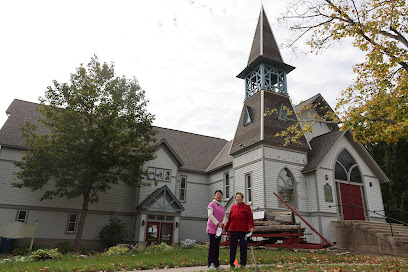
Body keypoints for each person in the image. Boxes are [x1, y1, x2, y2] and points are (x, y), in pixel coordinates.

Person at [224, 192, 254, 268]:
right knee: (233, 247)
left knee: (243, 247)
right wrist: (226, 228)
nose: (238, 199)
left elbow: (250, 218)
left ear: (242, 198)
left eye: (239, 197)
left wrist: (251, 227)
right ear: (235, 199)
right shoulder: (233, 207)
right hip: (233, 230)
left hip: (243, 231)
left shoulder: (246, 207)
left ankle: (242, 264)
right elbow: (229, 219)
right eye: (237, 197)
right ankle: (232, 263)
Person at [206, 190, 227, 270]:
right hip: (212, 228)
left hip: (219, 229)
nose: (219, 196)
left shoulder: (222, 206)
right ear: (214, 196)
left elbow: (224, 216)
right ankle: (210, 264)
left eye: (220, 195)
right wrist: (217, 223)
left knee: (217, 247)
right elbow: (210, 215)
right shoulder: (212, 204)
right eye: (217, 194)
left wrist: (223, 223)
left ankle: (216, 264)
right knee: (212, 246)